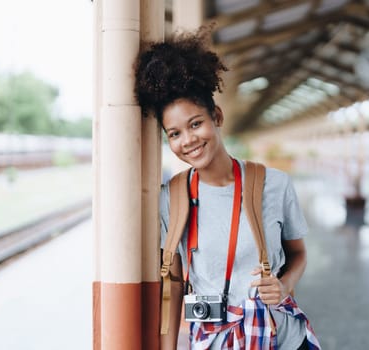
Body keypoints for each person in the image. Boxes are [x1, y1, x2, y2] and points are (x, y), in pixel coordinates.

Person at [135, 26, 319, 350]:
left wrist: (284, 285)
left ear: (216, 116)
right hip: (213, 342)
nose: (188, 140)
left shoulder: (274, 185)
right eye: (174, 133)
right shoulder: (172, 199)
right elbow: (174, 284)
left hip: (280, 339)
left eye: (195, 124)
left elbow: (299, 254)